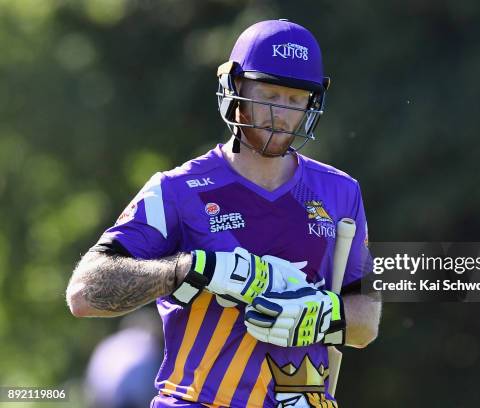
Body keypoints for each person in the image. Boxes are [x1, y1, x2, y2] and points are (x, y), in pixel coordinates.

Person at [66, 19, 381, 408]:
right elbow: (83, 294)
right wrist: (189, 269)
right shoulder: (177, 190)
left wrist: (320, 314)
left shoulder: (340, 192)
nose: (279, 114)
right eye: (268, 94)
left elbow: (366, 322)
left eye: (295, 100)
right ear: (235, 88)